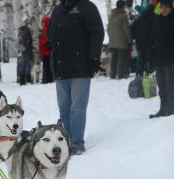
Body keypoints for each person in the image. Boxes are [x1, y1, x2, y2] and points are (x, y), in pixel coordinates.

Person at [49, 0, 104, 155]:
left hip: (81, 66)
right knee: (64, 108)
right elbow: (51, 34)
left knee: (77, 108)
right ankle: (68, 141)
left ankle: (77, 144)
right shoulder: (58, 9)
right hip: (61, 67)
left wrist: (94, 58)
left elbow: (97, 32)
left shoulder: (87, 7)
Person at [149, 0, 174, 118]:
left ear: (170, 8)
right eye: (162, 7)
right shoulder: (157, 19)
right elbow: (152, 39)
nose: (164, 9)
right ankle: (163, 108)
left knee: (170, 86)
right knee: (162, 86)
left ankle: (171, 108)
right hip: (158, 58)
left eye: (166, 7)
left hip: (170, 59)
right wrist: (150, 56)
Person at [108, 0, 133, 79]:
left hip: (112, 41)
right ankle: (120, 75)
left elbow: (108, 29)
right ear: (123, 6)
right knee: (121, 59)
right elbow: (126, 30)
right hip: (122, 41)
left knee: (114, 59)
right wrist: (130, 40)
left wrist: (111, 37)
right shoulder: (123, 16)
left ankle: (112, 74)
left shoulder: (111, 15)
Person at [131, 4, 156, 76]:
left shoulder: (140, 18)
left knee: (140, 57)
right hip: (150, 42)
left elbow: (132, 28)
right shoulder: (154, 18)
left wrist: (135, 37)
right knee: (149, 57)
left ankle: (139, 73)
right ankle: (148, 71)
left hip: (140, 42)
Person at [39, 16, 54, 84]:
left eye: (43, 22)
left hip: (46, 52)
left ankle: (47, 79)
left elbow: (44, 41)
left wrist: (41, 46)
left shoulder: (46, 29)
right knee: (48, 66)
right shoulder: (50, 29)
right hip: (47, 51)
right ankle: (49, 79)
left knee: (46, 66)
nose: (42, 24)